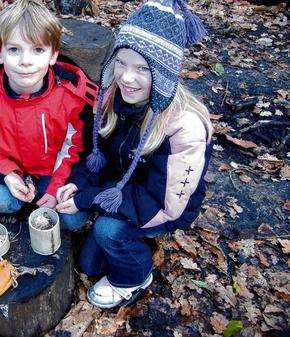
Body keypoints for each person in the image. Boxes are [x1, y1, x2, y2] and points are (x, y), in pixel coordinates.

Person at [56, 0, 213, 308]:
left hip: (162, 204)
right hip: (122, 189)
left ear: (165, 74)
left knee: (108, 230)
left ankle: (135, 276)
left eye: (143, 68)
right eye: (121, 63)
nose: (127, 77)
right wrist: (80, 182)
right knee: (90, 266)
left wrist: (87, 199)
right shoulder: (112, 97)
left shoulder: (185, 128)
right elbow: (97, 155)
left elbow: (162, 203)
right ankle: (129, 236)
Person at [0, 0, 97, 214]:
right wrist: (8, 175)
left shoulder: (73, 98)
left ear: (53, 55)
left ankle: (42, 199)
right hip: (6, 167)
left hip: (52, 169)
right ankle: (20, 202)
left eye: (38, 50)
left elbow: (76, 148)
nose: (26, 61)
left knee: (73, 219)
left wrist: (55, 186)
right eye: (14, 50)